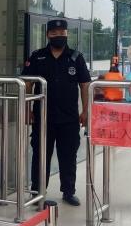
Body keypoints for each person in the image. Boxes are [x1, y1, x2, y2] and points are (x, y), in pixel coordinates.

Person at [22, 18, 91, 206]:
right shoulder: (37, 57)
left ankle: (68, 192)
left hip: (69, 118)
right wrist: (27, 109)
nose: (58, 36)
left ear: (67, 34)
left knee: (68, 156)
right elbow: (27, 84)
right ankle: (37, 192)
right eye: (54, 33)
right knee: (40, 156)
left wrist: (85, 111)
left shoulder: (76, 57)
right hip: (42, 117)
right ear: (48, 35)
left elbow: (85, 85)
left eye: (62, 33)